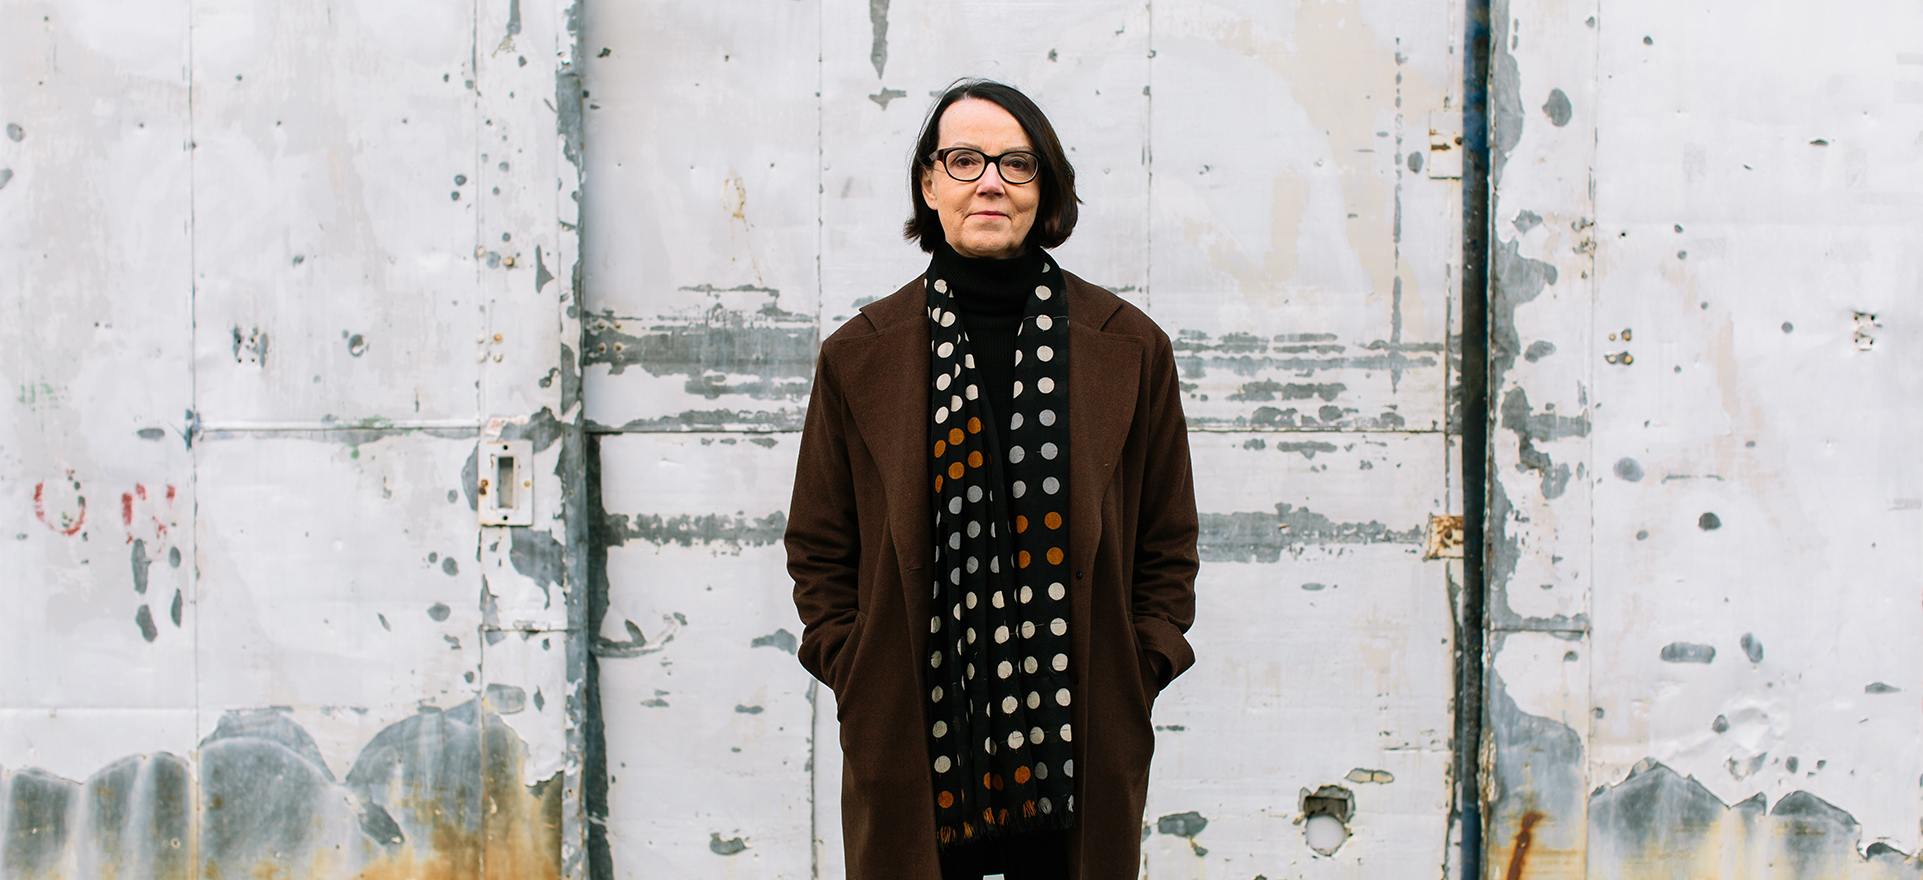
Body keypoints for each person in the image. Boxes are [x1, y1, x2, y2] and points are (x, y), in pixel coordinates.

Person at [786, 78, 1199, 880]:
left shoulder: (1129, 346)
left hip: (1081, 733)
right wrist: (852, 667)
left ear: (1044, 189)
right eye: (965, 159)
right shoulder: (858, 353)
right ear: (929, 182)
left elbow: (1167, 534)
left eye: (1016, 163)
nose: (989, 182)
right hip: (911, 729)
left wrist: (1143, 662)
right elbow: (818, 542)